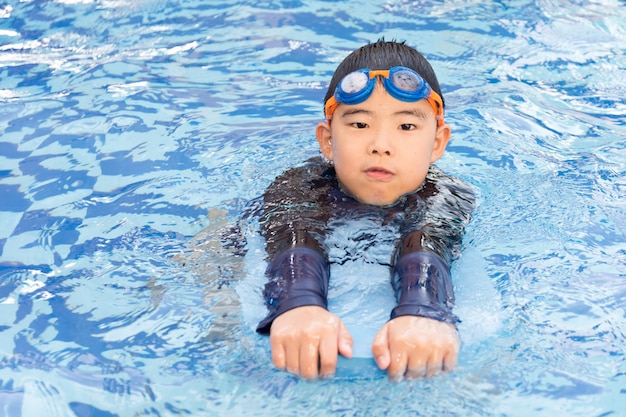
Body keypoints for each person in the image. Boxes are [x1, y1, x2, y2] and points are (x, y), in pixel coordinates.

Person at [255, 40, 475, 381]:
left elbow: (428, 239)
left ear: (437, 142)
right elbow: (294, 232)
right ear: (328, 140)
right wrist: (299, 302)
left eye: (406, 127)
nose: (380, 146)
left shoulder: (449, 193)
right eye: (359, 125)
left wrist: (422, 307)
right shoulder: (299, 185)